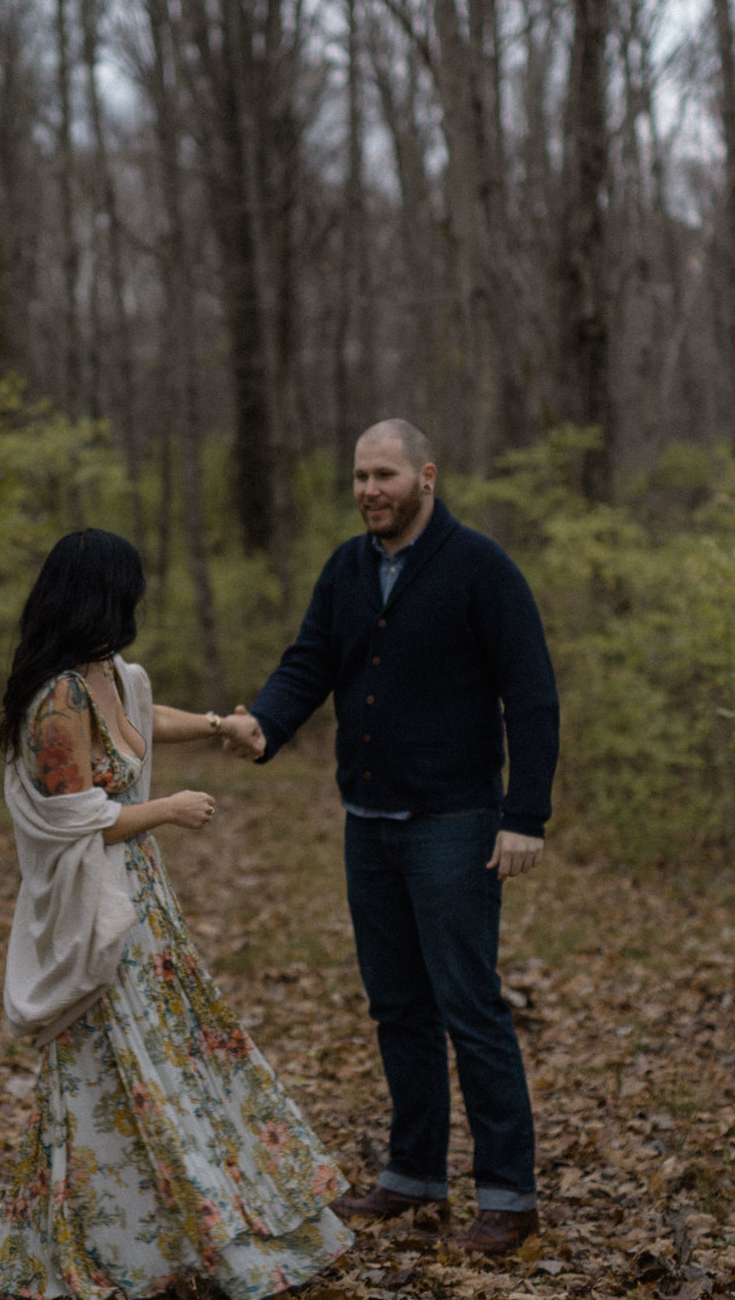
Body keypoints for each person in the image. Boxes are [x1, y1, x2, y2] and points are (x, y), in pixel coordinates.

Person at [0, 528, 354, 1300]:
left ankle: (188, 1223)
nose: (134, 605)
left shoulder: (105, 672)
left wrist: (219, 725)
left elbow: (147, 710)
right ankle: (122, 1237)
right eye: (126, 591)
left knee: (173, 1054)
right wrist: (166, 809)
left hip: (143, 900)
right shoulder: (56, 699)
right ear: (97, 596)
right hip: (100, 904)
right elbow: (81, 819)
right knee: (118, 1066)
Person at [214, 419, 559, 1257]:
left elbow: (533, 692)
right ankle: (413, 1174)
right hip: (369, 824)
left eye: (385, 475)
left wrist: (525, 815)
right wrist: (266, 722)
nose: (370, 489)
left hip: (455, 823)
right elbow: (309, 662)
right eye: (360, 476)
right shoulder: (347, 567)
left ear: (426, 477)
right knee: (397, 1006)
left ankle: (509, 1197)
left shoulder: (481, 568)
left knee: (468, 1005)